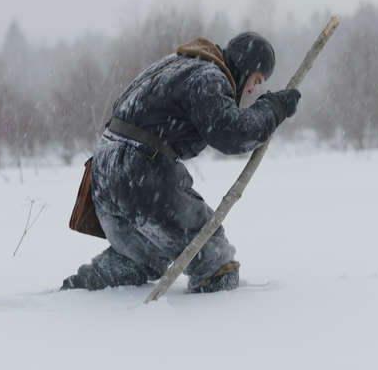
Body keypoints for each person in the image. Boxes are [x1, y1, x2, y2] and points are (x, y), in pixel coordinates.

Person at [61, 32, 301, 293]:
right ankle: (212, 319)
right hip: (140, 172)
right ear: (245, 65)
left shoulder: (176, 64)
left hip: (103, 174)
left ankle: (80, 295)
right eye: (256, 80)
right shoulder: (207, 76)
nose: (253, 89)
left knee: (143, 253)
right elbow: (231, 134)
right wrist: (272, 109)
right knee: (213, 260)